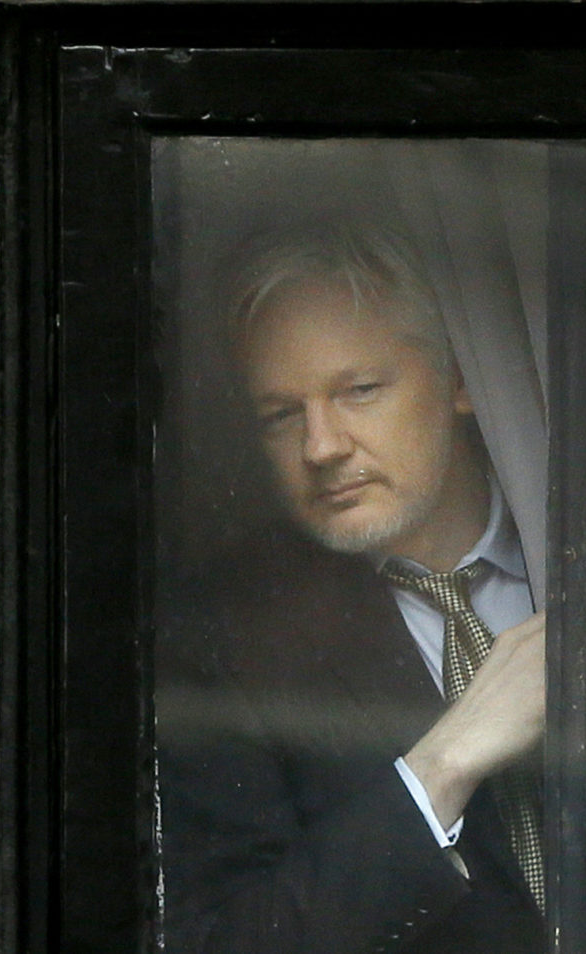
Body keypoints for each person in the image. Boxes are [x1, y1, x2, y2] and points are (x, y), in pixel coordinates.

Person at [156, 222, 547, 954]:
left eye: (359, 390)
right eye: (281, 415)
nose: (321, 447)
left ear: (462, 379)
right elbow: (223, 942)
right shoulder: (221, 637)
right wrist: (442, 767)